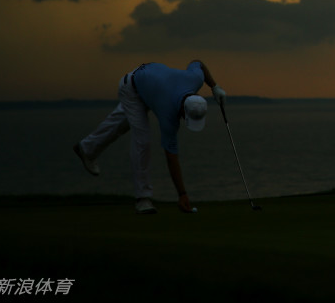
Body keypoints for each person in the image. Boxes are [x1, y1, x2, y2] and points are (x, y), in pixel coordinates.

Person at [73, 60, 226, 214]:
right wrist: (182, 194)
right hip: (132, 87)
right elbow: (171, 156)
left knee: (119, 123)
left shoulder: (195, 79)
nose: (183, 120)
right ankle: (143, 199)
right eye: (185, 116)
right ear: (181, 109)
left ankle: (86, 148)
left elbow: (198, 63)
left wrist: (215, 87)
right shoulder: (168, 114)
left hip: (149, 82)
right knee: (143, 140)